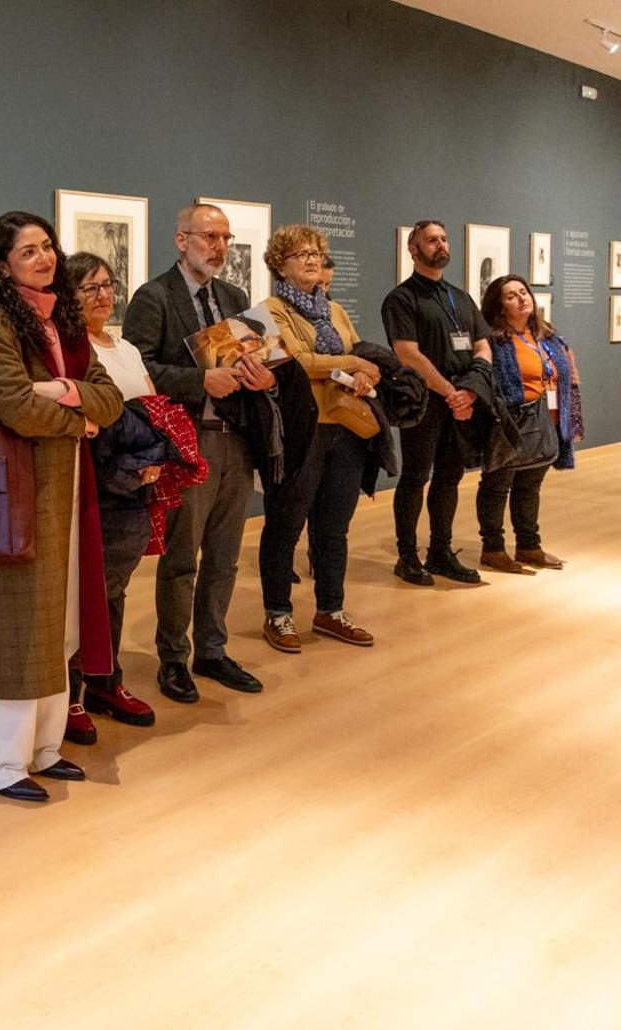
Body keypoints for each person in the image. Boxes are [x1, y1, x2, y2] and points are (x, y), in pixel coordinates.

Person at [0, 214, 122, 801]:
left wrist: (62, 391)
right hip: (16, 484)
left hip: (67, 485)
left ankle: (42, 748)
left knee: (60, 618)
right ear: (2, 264)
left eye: (47, 246)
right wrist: (80, 419)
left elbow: (113, 395)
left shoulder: (66, 320)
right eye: (27, 251)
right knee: (15, 620)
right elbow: (13, 406)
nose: (43, 257)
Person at [123, 203, 275, 704]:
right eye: (209, 237)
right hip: (190, 440)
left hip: (235, 438)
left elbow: (255, 362)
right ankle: (174, 658)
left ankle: (212, 649)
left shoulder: (234, 297)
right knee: (182, 557)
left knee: (226, 557)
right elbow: (136, 369)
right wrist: (199, 379)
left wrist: (265, 377)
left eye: (226, 238)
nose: (219, 247)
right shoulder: (155, 297)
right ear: (181, 239)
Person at [60, 252, 172, 740]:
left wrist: (153, 457)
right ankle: (68, 694)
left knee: (114, 586)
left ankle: (106, 680)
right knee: (82, 589)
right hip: (93, 481)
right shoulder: (71, 348)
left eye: (107, 285)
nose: (103, 295)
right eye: (89, 288)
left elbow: (151, 405)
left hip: (136, 480)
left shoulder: (123, 347)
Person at [259, 225, 380, 652]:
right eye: (299, 255)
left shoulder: (334, 310)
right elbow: (295, 360)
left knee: (334, 528)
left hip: (346, 428)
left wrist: (365, 374)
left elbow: (359, 358)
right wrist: (354, 360)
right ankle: (278, 613)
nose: (311, 260)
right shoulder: (268, 312)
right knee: (285, 525)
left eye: (315, 253)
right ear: (279, 264)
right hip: (301, 430)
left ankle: (331, 610)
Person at [381, 221, 492, 586]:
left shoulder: (460, 297)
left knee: (450, 476)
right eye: (431, 240)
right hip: (425, 403)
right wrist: (449, 392)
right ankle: (407, 556)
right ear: (413, 250)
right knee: (415, 477)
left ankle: (441, 552)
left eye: (443, 239)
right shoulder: (401, 298)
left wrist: (471, 389)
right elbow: (408, 354)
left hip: (462, 401)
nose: (440, 244)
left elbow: (483, 346)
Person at [474, 275, 578, 574]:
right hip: (510, 422)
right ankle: (492, 548)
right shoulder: (494, 340)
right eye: (511, 296)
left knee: (530, 486)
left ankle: (529, 545)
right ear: (499, 306)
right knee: (497, 486)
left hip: (545, 420)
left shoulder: (547, 336)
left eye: (523, 292)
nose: (522, 298)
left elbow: (565, 377)